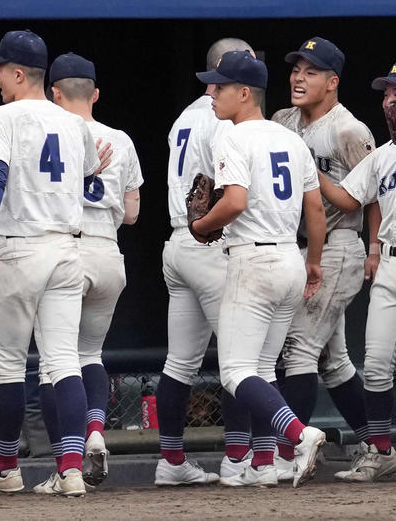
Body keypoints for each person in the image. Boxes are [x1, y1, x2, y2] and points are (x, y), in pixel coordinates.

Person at [0, 31, 99, 497]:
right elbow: (84, 173)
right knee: (64, 363)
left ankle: (5, 469)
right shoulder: (74, 123)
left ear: (19, 74)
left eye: (1, 69)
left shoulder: (1, 116)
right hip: (65, 250)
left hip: (19, 247)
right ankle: (71, 469)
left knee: (8, 366)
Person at [191, 50, 327, 489]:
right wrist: (313, 262)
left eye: (220, 86)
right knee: (264, 367)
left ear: (245, 93)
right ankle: (264, 464)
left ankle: (298, 434)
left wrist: (200, 226)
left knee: (235, 372)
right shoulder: (291, 138)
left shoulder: (231, 136)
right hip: (289, 255)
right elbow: (315, 211)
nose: (212, 93)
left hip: (253, 258)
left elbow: (234, 203)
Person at [318, 58, 396, 481]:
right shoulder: (384, 155)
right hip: (391, 264)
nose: (390, 100)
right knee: (376, 363)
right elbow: (349, 198)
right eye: (387, 94)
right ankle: (381, 450)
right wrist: (307, 168)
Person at [272, 36, 377, 479]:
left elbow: (368, 197)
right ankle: (377, 444)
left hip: (338, 245)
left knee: (297, 351)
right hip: (298, 245)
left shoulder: (348, 129)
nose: (299, 77)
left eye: (311, 71)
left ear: (332, 82)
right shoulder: (280, 120)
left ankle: (290, 452)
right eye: (296, 68)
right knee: (334, 362)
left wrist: (375, 248)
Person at [154, 37, 255, 487]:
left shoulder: (184, 115)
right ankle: (237, 460)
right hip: (208, 244)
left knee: (180, 363)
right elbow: (229, 191)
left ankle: (171, 462)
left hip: (177, 245)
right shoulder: (221, 119)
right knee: (239, 357)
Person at [43, 53, 142, 490]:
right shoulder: (120, 139)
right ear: (95, 93)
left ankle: (64, 465)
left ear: (54, 93)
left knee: (53, 365)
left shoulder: (49, 131)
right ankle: (96, 431)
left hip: (65, 252)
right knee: (90, 356)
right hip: (108, 252)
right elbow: (133, 214)